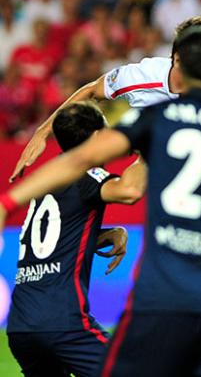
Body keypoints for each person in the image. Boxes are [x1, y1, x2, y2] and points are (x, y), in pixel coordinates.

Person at [0, 23, 201, 377]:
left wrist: (9, 203)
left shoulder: (159, 120)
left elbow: (79, 160)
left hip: (161, 294)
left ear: (185, 64)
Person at [10, 15, 201, 182]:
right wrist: (43, 131)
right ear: (177, 57)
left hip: (197, 164)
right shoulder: (142, 76)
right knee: (129, 190)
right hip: (154, 148)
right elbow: (90, 90)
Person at [6, 101, 145, 377]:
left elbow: (54, 242)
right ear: (96, 138)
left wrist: (107, 235)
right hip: (63, 322)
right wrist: (147, 152)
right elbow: (130, 191)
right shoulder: (86, 173)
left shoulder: (47, 180)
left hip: (21, 326)